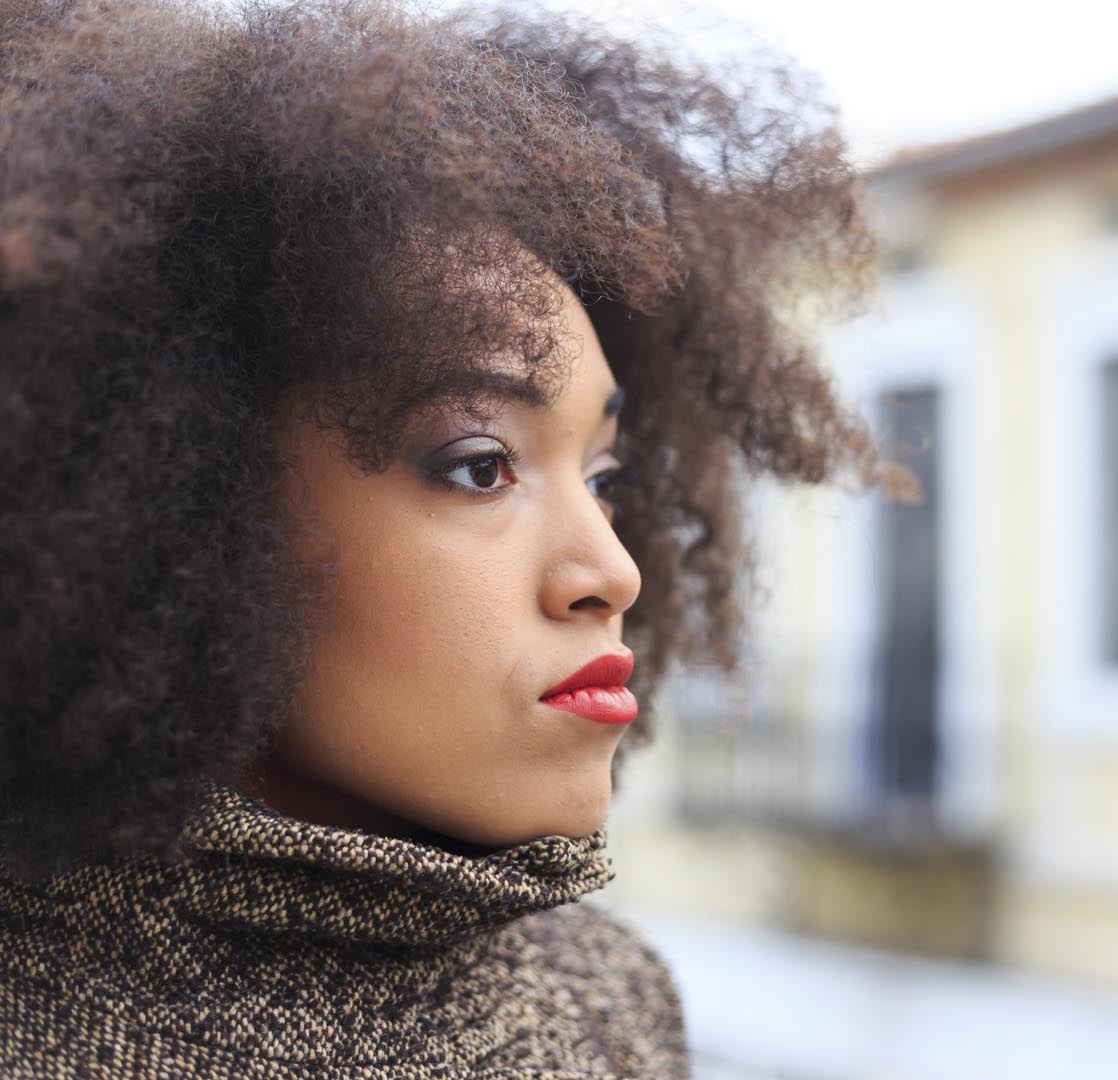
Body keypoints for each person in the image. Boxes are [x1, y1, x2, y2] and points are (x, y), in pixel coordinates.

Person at [0, 0, 876, 1074]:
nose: (612, 569)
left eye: (608, 478)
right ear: (182, 508)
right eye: (481, 465)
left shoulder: (614, 1010)